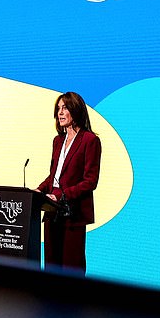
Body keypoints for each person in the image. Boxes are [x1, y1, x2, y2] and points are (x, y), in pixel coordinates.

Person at [36, 91, 101, 275]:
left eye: (64, 108)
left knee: (71, 269)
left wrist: (61, 195)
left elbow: (90, 181)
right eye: (58, 109)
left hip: (73, 214)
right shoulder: (58, 141)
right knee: (51, 266)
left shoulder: (90, 140)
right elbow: (53, 176)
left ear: (76, 110)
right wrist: (38, 190)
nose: (60, 113)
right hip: (52, 213)